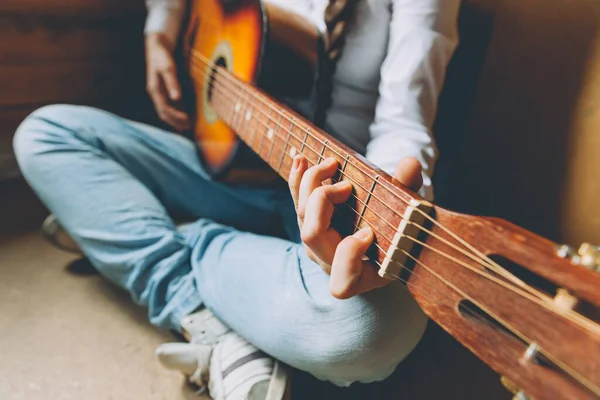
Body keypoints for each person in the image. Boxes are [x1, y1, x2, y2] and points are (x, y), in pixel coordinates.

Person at [13, 0, 460, 398]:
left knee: (378, 331)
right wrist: (161, 30)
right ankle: (198, 308)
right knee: (45, 134)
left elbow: (404, 126)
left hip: (323, 205)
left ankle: (150, 230)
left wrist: (382, 215)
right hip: (217, 164)